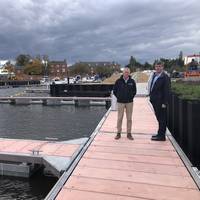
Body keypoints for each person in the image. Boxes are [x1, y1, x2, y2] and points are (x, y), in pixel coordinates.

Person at [148, 62, 171, 141]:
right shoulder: (154, 75)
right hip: (155, 101)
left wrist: (164, 103)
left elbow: (167, 91)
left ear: (162, 67)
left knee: (162, 119)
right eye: (156, 66)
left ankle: (162, 136)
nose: (157, 68)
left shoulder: (165, 77)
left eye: (159, 66)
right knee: (159, 118)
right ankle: (159, 133)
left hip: (161, 102)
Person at [113, 67, 137, 140]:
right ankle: (118, 133)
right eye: (125, 72)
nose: (126, 73)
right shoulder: (118, 81)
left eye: (127, 72)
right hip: (120, 102)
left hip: (129, 102)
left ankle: (129, 133)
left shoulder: (132, 81)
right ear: (123, 73)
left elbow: (134, 91)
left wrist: (130, 97)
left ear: (129, 73)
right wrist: (119, 97)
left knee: (129, 118)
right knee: (120, 118)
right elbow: (114, 91)